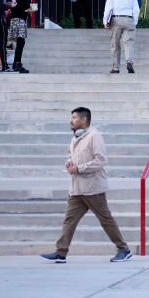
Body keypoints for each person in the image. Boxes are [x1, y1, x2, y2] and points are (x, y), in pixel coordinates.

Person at [41, 107, 131, 263]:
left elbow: (101, 160)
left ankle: (124, 249)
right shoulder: (75, 137)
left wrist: (80, 168)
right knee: (69, 220)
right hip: (76, 188)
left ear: (84, 119)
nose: (71, 120)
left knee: (105, 219)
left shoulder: (94, 136)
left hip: (93, 188)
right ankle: (61, 252)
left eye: (74, 117)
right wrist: (70, 163)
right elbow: (72, 155)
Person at [103, 0, 139, 74]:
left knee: (115, 44)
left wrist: (105, 21)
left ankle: (115, 67)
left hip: (116, 19)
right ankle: (129, 61)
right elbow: (136, 10)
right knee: (129, 43)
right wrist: (134, 22)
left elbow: (108, 9)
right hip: (129, 19)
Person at [7, 0, 31, 74]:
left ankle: (17, 63)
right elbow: (15, 9)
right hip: (17, 19)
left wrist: (27, 9)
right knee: (20, 42)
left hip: (22, 19)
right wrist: (25, 11)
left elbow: (26, 5)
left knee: (21, 42)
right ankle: (17, 64)